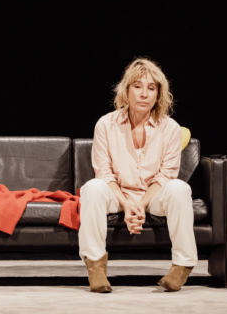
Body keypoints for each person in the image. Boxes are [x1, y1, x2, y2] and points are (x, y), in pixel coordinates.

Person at [79, 57, 197, 293]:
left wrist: (141, 204)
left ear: (158, 94)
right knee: (91, 187)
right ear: (126, 90)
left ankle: (182, 266)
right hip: (117, 193)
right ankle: (96, 268)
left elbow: (166, 175)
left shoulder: (171, 128)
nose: (144, 94)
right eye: (138, 86)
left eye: (151, 88)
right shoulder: (105, 124)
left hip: (153, 196)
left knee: (180, 188)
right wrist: (126, 204)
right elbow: (104, 173)